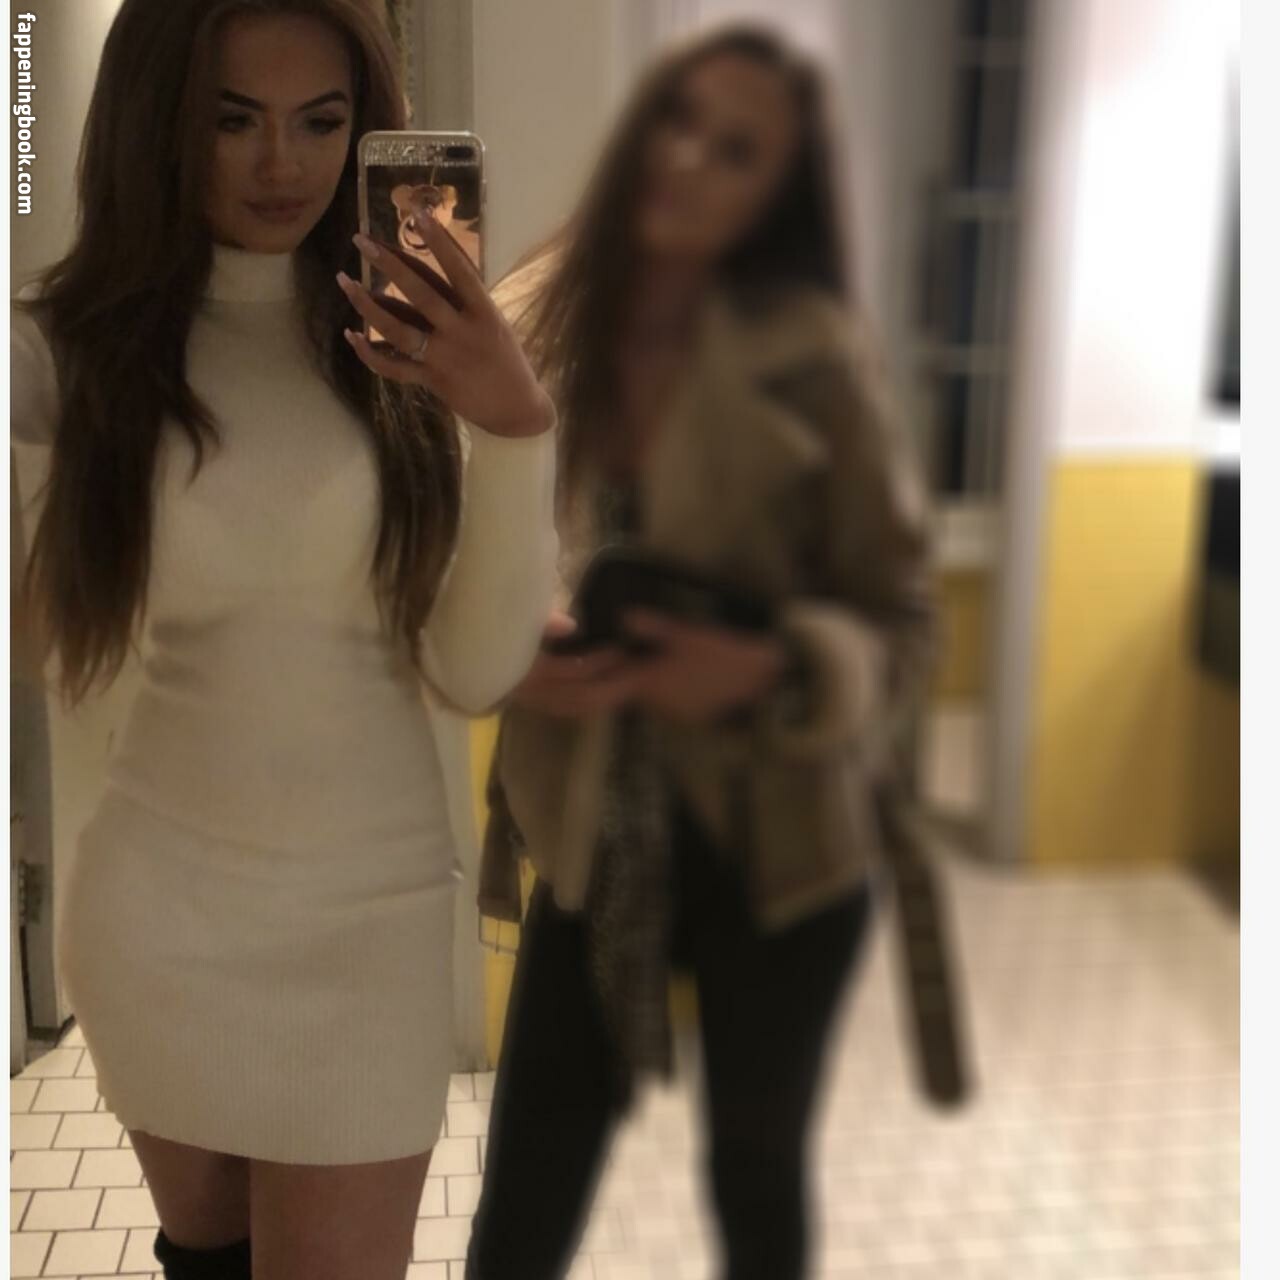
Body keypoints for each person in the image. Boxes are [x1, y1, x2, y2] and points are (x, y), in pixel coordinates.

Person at [9, 2, 556, 1278]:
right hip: (158, 910)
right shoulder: (67, 349)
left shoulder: (404, 341)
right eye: (232, 120)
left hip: (369, 921)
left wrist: (513, 430)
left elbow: (473, 669)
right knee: (203, 1262)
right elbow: (41, 647)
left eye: (321, 122)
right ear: (157, 123)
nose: (281, 165)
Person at [466, 24, 935, 1280]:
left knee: (755, 1178)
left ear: (775, 191)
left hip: (778, 832)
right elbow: (444, 537)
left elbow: (898, 621)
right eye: (675, 122)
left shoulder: (816, 361)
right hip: (594, 819)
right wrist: (510, 647)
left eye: (735, 151)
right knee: (527, 1185)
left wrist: (774, 668)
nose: (685, 160)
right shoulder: (532, 310)